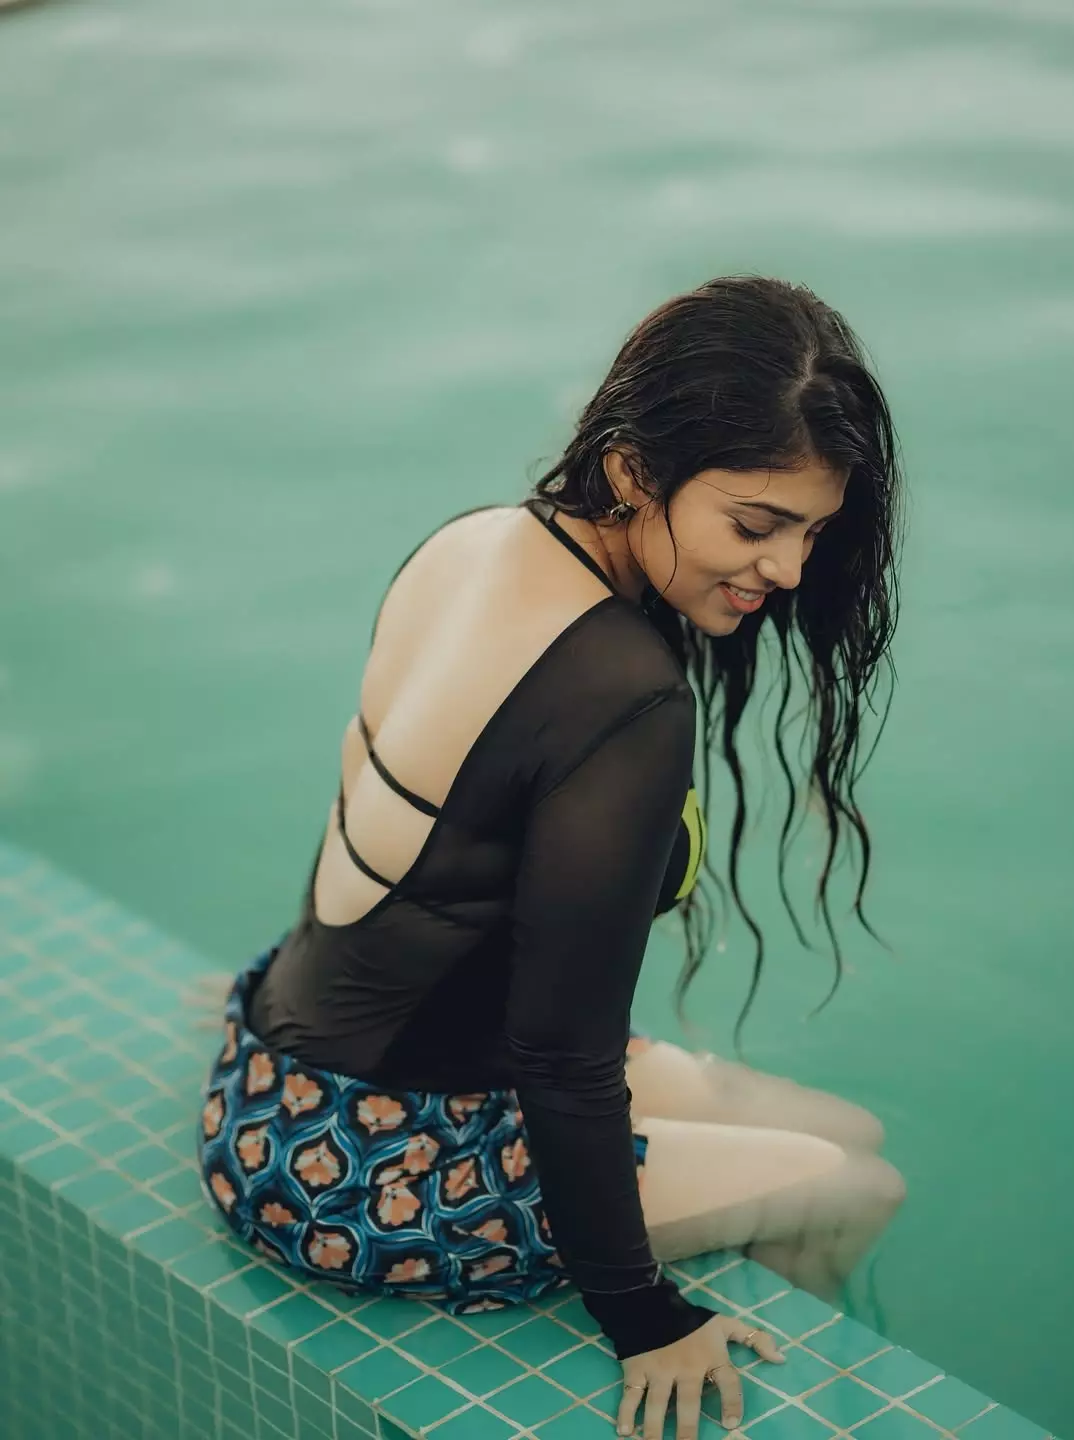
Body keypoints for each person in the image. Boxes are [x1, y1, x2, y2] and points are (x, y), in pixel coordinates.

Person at [196, 275, 905, 1439]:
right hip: (367, 1167)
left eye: (812, 531)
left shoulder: (476, 542)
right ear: (633, 472)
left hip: (275, 1080)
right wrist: (645, 1319)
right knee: (858, 1188)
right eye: (755, 525)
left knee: (849, 1132)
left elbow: (395, 848)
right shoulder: (623, 697)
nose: (787, 571)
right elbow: (564, 1060)